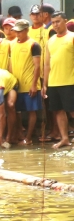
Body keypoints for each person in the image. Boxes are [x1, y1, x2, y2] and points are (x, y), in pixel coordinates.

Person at [8, 19, 42, 144]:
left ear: (27, 30)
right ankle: (20, 135)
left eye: (20, 32)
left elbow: (37, 66)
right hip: (16, 84)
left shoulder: (34, 45)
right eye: (16, 31)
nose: (18, 34)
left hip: (29, 84)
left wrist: (34, 84)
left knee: (31, 111)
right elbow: (11, 64)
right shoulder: (11, 44)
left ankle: (28, 138)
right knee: (16, 111)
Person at [44, 11, 74, 148]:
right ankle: (65, 138)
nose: (55, 25)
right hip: (54, 82)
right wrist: (45, 84)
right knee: (58, 111)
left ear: (65, 21)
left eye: (58, 21)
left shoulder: (72, 37)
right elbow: (47, 64)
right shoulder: (50, 40)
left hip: (70, 81)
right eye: (53, 22)